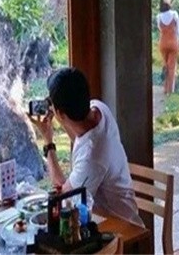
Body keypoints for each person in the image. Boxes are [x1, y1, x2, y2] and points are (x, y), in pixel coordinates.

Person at [29, 67, 143, 227]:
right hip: (119, 216)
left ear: (60, 113)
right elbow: (81, 136)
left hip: (121, 230)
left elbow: (62, 193)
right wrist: (62, 117)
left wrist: (48, 141)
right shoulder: (99, 108)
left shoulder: (92, 158)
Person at [157, 0, 179, 95]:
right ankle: (170, 90)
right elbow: (178, 30)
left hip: (163, 43)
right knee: (172, 67)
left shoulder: (159, 16)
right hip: (173, 43)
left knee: (165, 65)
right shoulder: (174, 14)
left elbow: (160, 29)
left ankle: (165, 88)